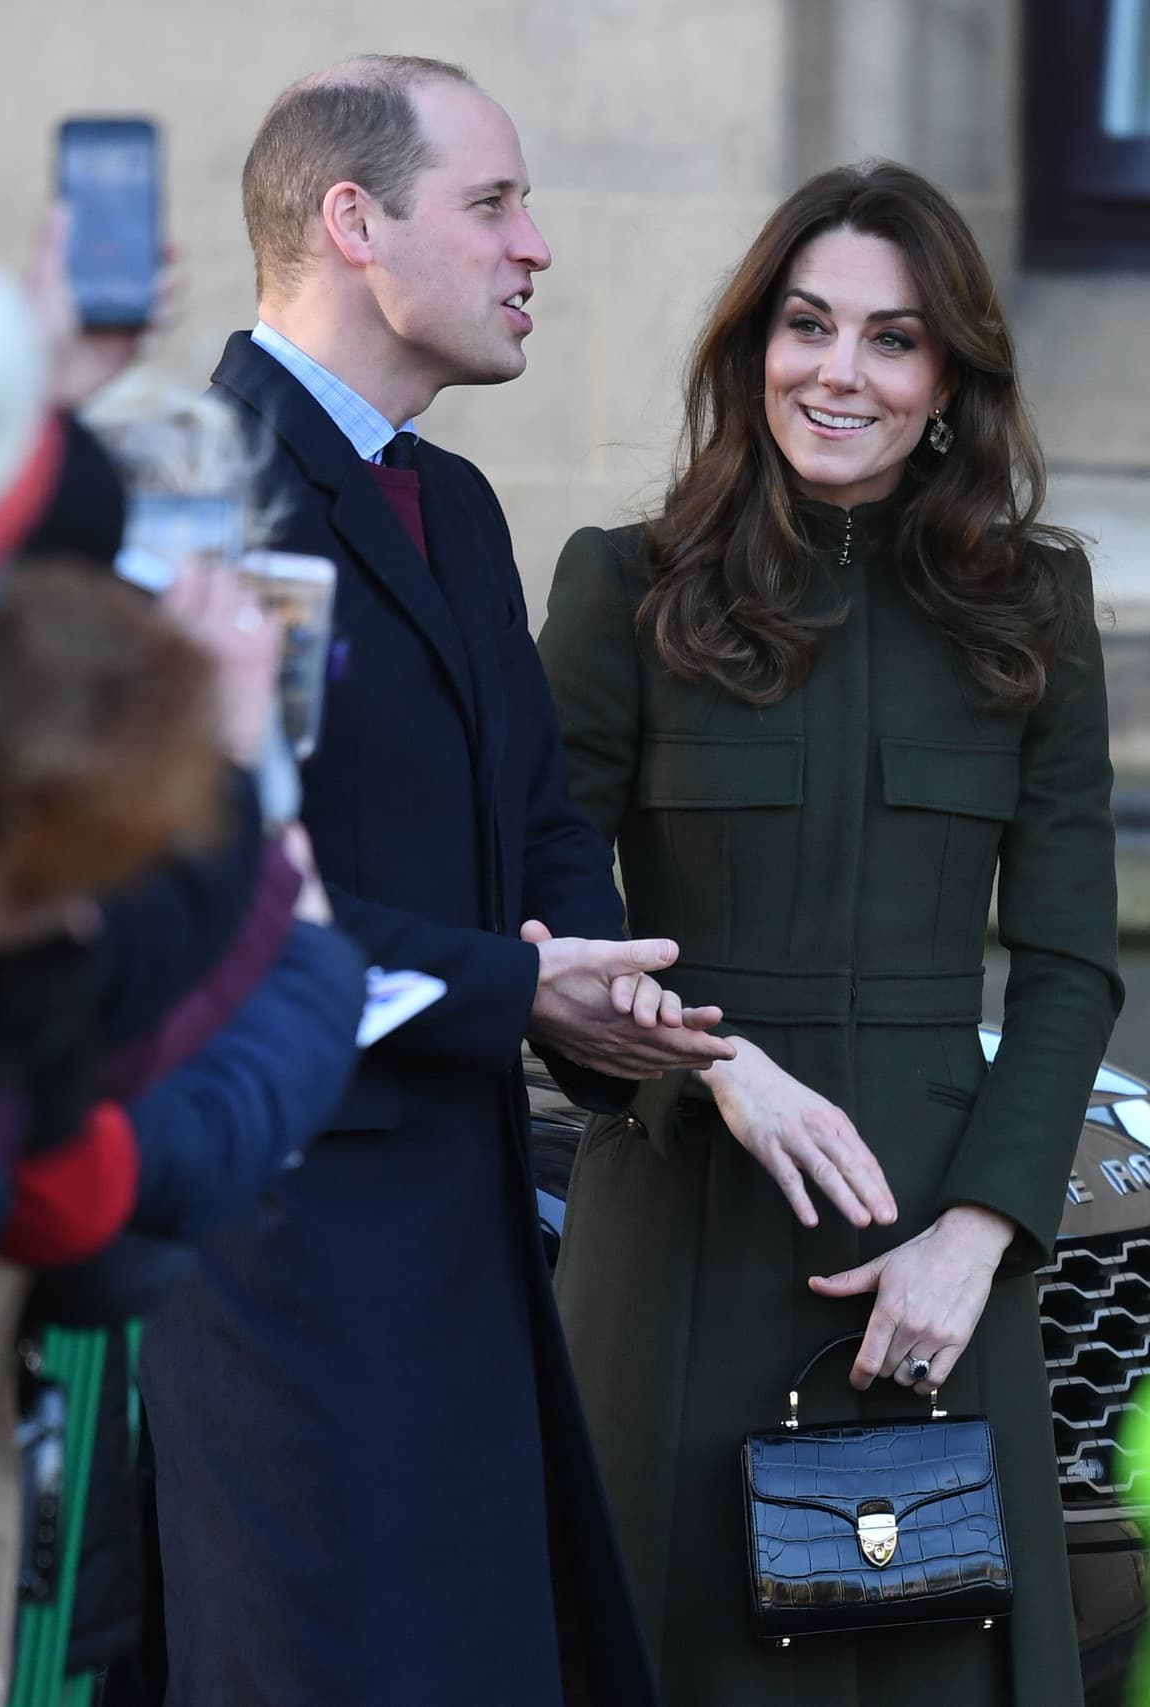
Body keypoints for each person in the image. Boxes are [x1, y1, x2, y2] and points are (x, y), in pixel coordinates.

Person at [137, 52, 733, 1707]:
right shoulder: (199, 492)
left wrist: (603, 984)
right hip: (291, 1263)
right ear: (351, 221)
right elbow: (215, 895)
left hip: (474, 1245)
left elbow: (541, 820)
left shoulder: (457, 504)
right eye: (493, 203)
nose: (536, 245)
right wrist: (506, 992)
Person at [537, 161, 1123, 1707]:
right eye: (806, 327)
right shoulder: (625, 589)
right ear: (753, 349)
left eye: (890, 338)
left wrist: (983, 1234)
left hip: (936, 1252)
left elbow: (1068, 963)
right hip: (680, 1228)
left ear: (949, 384)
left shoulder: (1039, 610)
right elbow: (543, 933)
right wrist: (700, 1068)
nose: (837, 372)